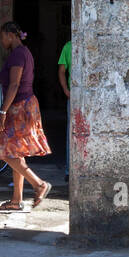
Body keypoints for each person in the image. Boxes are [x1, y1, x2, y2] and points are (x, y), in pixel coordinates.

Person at [0, 21, 53, 210]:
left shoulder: (18, 55)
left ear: (11, 35)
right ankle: (16, 200)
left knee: (4, 150)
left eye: (3, 36)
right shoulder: (23, 53)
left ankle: (39, 184)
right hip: (25, 105)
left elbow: (14, 85)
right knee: (16, 151)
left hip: (20, 107)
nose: (1, 40)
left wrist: (3, 111)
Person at [57, 39, 71, 180]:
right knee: (71, 133)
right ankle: (69, 170)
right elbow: (61, 71)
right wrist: (66, 90)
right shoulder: (68, 46)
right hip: (73, 97)